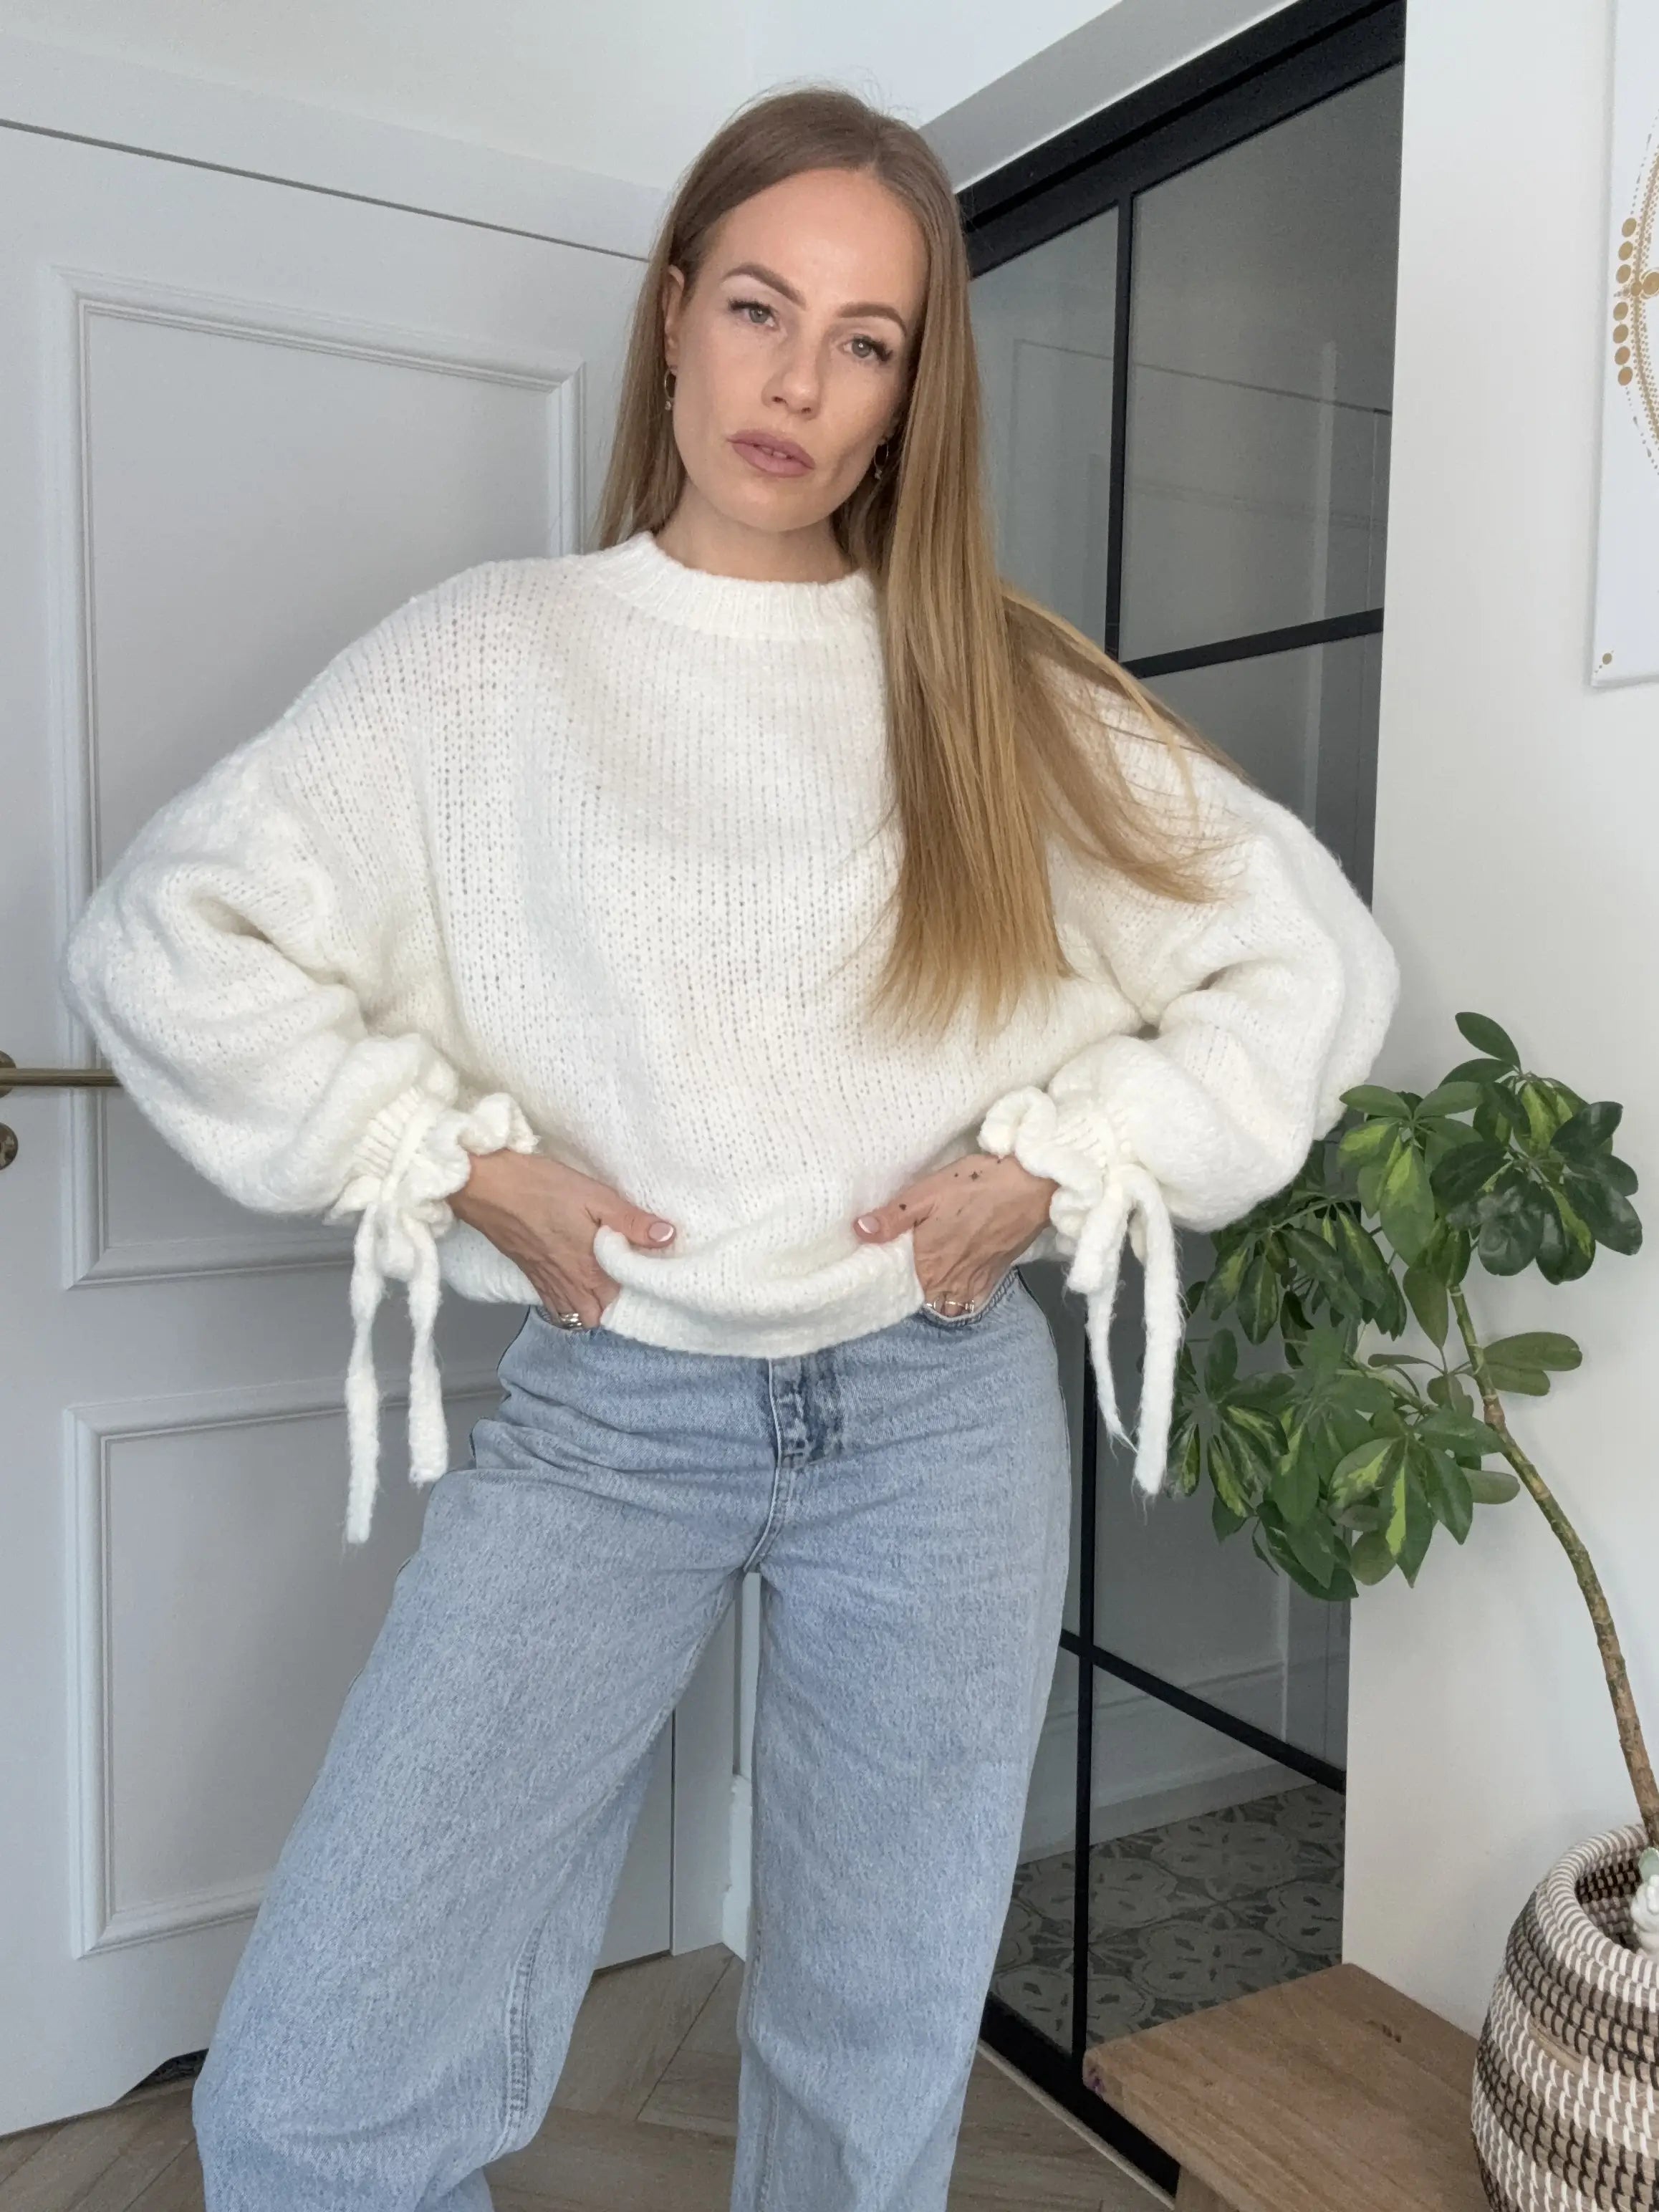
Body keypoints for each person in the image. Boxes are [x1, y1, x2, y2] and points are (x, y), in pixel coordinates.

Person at [59, 82, 1399, 2212]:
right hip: (617, 1410)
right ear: (675, 317)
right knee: (312, 2089)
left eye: (864, 341)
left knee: (871, 2066)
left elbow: (1302, 959)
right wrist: (446, 1159)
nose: (796, 382)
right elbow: (166, 936)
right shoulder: (492, 660)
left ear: (909, 396)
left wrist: (1062, 1165)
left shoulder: (992, 684)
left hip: (936, 1412)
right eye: (760, 309)